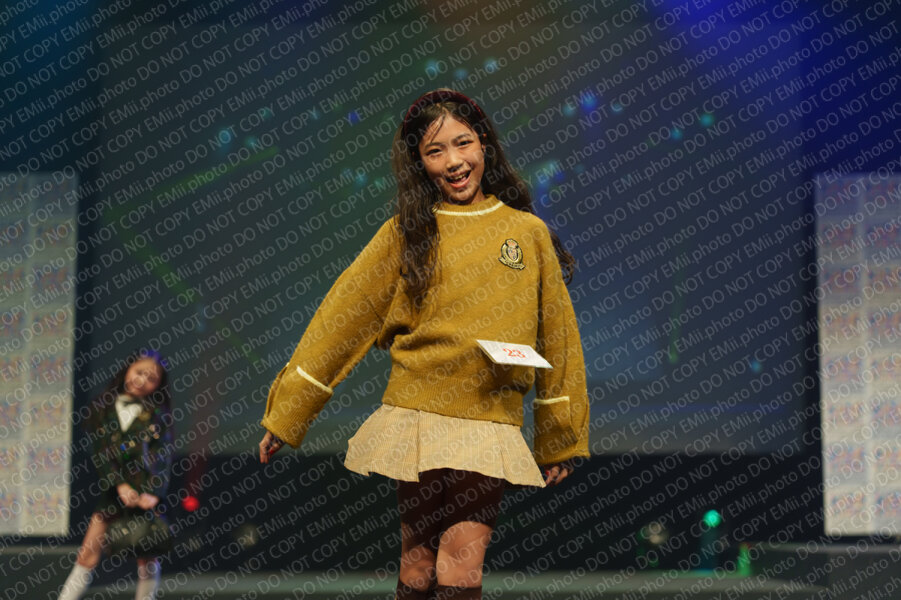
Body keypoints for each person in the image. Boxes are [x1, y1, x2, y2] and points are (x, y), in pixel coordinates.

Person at [259, 89, 590, 600]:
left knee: (461, 569)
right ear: (419, 162)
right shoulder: (407, 233)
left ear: (485, 143)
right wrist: (289, 412)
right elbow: (341, 320)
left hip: (486, 420)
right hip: (416, 415)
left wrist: (560, 437)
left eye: (463, 143)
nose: (454, 161)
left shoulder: (526, 232)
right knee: (416, 570)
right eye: (435, 151)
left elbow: (559, 337)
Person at [58, 350, 173, 600]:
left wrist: (153, 493)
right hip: (113, 493)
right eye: (139, 372)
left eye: (151, 378)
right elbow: (101, 454)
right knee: (87, 554)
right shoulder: (103, 407)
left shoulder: (158, 415)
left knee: (147, 556)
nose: (142, 380)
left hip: (144, 493)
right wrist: (119, 485)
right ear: (127, 370)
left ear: (158, 385)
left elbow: (162, 456)